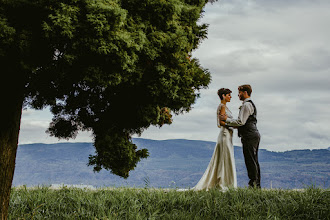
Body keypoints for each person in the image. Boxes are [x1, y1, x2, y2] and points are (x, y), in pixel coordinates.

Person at [193, 88, 237, 191]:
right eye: (229, 95)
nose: (230, 97)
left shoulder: (225, 107)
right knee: (224, 158)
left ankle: (226, 182)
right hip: (225, 134)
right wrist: (232, 124)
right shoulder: (222, 107)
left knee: (226, 157)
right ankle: (222, 183)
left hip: (228, 135)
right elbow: (221, 123)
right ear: (223, 96)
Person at [220, 84, 261, 188]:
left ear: (245, 93)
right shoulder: (249, 104)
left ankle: (253, 185)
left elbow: (240, 122)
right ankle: (256, 185)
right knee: (254, 160)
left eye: (240, 92)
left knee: (250, 160)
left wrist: (226, 120)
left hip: (249, 135)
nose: (238, 95)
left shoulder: (246, 105)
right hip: (252, 134)